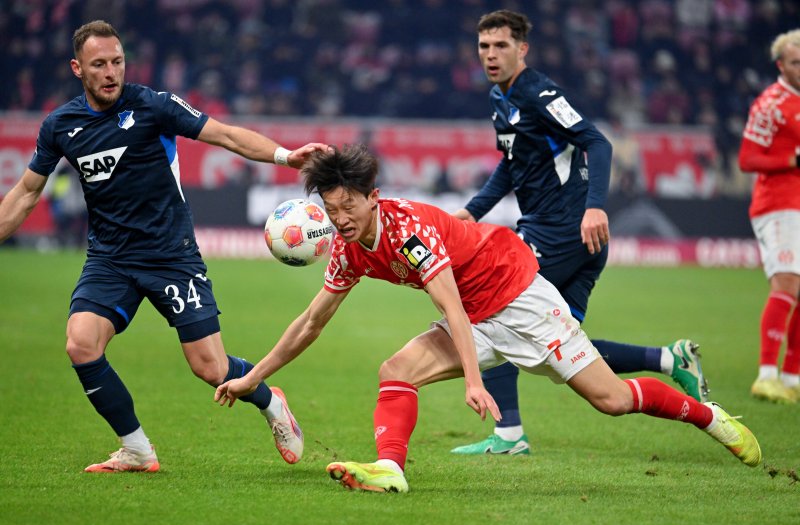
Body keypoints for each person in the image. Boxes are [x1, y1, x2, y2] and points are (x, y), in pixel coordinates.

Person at [214, 144, 760, 494]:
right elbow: (311, 322)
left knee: (611, 400)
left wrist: (474, 382)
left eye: (348, 207)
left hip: (517, 295)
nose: (341, 219)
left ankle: (708, 417)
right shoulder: (346, 249)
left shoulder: (408, 230)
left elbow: (450, 306)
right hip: (475, 314)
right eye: (331, 211)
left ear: (373, 198)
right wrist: (253, 377)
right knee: (395, 371)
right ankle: (391, 470)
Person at [0, 20, 327, 473]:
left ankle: (271, 401)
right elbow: (25, 193)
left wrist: (285, 156)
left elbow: (226, 134)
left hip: (172, 256)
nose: (111, 72)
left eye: (117, 62)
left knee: (211, 369)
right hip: (110, 259)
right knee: (81, 344)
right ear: (78, 68)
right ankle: (137, 449)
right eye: (99, 64)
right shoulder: (60, 126)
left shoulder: (153, 106)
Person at [450, 10, 708, 456]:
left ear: (522, 49)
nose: (490, 55)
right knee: (564, 351)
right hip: (564, 236)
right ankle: (670, 359)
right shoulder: (499, 97)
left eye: (501, 46)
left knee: (490, 304)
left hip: (563, 232)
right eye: (484, 46)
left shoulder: (539, 93)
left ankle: (509, 434)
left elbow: (597, 141)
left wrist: (595, 208)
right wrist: (471, 212)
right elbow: (511, 166)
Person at [738, 28, 800, 404]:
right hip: (778, 205)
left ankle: (792, 378)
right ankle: (766, 375)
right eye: (796, 62)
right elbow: (747, 159)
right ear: (781, 66)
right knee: (786, 285)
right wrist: (793, 159)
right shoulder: (770, 105)